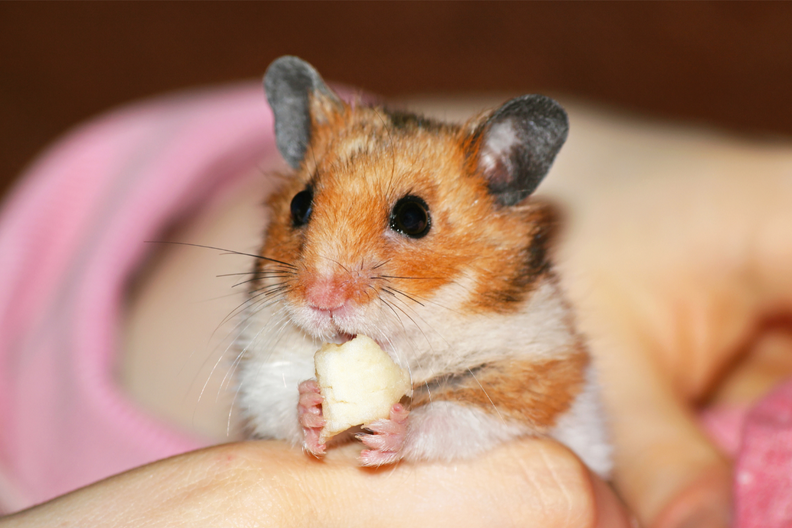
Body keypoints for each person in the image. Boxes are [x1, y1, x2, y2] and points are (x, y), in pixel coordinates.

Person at [1, 84, 790, 527]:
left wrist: (425, 425)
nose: (323, 284)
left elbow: (534, 407)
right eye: (306, 209)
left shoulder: (516, 324)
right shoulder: (284, 293)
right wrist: (299, 412)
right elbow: (263, 393)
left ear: (506, 181)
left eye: (409, 219)